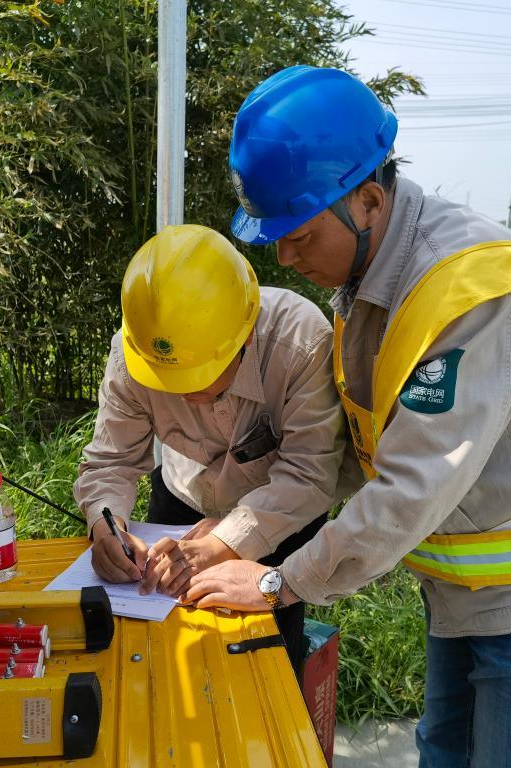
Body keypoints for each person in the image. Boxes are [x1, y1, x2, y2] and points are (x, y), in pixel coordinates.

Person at [186, 66, 511, 768]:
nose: (284, 258)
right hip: (469, 581)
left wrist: (278, 583)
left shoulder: (470, 299)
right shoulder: (370, 282)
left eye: (301, 235)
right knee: (445, 753)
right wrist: (231, 534)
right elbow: (351, 451)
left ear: (368, 201)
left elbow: (409, 487)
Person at [73, 223, 347, 673]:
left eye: (197, 376)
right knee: (169, 658)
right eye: (166, 379)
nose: (181, 395)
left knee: (268, 662)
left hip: (280, 519)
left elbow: (308, 475)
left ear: (243, 336)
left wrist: (227, 542)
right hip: (181, 504)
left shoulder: (300, 343)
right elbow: (111, 460)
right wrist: (106, 527)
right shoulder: (133, 352)